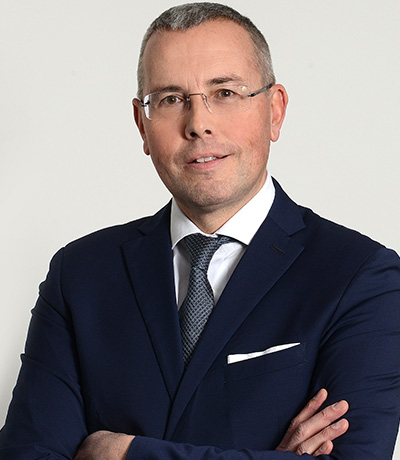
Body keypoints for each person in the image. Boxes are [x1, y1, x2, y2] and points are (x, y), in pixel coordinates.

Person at [1, 3, 400, 460]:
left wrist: (121, 452)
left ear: (275, 111)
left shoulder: (361, 276)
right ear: (142, 125)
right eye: (171, 99)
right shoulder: (80, 274)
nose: (198, 124)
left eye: (225, 92)